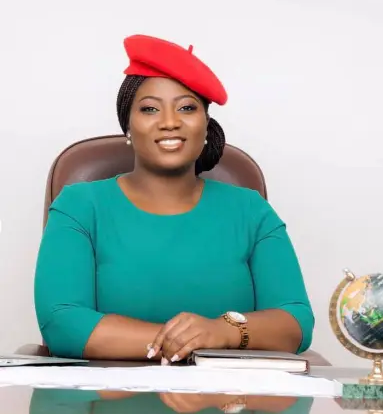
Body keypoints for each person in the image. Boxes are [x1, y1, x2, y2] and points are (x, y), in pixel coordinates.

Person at [33, 34, 315, 364]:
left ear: (206, 125)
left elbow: (296, 322)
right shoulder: (80, 206)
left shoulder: (251, 210)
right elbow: (63, 323)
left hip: (230, 393)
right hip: (107, 391)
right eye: (150, 109)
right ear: (127, 126)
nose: (169, 122)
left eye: (187, 108)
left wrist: (220, 332)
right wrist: (186, 342)